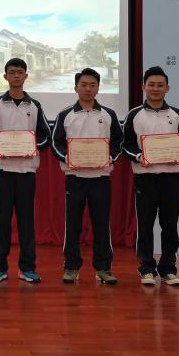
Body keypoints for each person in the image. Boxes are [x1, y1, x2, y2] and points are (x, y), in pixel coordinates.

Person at [0, 57, 51, 283]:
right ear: (5, 76)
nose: (16, 76)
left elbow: (45, 136)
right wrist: (0, 147)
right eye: (12, 72)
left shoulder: (35, 105)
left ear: (26, 76)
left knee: (26, 222)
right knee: (1, 221)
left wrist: (32, 148)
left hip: (27, 171)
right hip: (3, 170)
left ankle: (27, 268)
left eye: (20, 72)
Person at [50, 68, 123, 285]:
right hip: (75, 178)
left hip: (101, 178)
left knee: (101, 224)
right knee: (72, 224)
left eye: (92, 85)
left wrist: (109, 158)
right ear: (76, 87)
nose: (88, 89)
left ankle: (103, 268)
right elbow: (56, 143)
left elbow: (118, 143)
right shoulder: (65, 115)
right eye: (84, 85)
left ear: (98, 88)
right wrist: (69, 158)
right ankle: (71, 267)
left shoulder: (108, 115)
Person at [121, 66, 179, 286]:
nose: (155, 89)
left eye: (160, 85)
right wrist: (139, 156)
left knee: (170, 225)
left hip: (171, 178)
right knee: (145, 225)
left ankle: (168, 269)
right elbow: (126, 145)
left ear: (167, 88)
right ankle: (147, 269)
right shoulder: (134, 114)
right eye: (151, 84)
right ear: (143, 87)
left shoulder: (176, 114)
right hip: (145, 178)